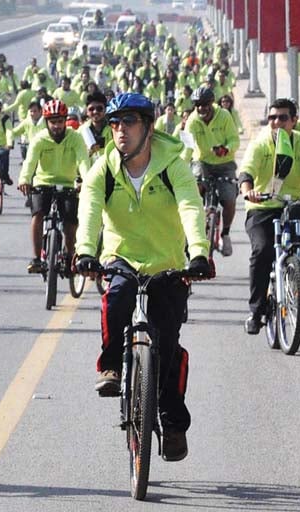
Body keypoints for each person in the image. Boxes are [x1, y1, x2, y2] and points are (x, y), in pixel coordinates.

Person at [74, 93, 212, 462]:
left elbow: (190, 207)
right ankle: (110, 365)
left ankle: (173, 423)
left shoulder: (173, 166)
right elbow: (88, 211)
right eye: (115, 123)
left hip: (167, 264)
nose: (120, 130)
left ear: (149, 128)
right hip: (121, 258)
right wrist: (85, 250)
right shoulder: (102, 169)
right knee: (116, 297)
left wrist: (199, 252)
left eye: (129, 122)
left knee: (168, 348)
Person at [239, 98, 300, 334]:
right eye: (272, 118)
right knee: (263, 249)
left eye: (282, 118)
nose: (276, 122)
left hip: (293, 202)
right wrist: (249, 192)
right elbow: (247, 171)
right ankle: (256, 311)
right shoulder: (261, 144)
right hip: (262, 207)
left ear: (294, 121)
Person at [18, 99, 90, 274]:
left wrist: (87, 181)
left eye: (59, 121)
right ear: (46, 122)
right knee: (38, 214)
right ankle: (36, 258)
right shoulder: (39, 139)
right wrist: (24, 180)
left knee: (70, 221)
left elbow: (83, 162)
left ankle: (69, 255)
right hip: (43, 183)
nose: (56, 126)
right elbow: (29, 162)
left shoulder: (76, 138)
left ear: (65, 120)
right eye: (53, 122)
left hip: (68, 184)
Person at [186, 85, 239, 256]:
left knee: (229, 198)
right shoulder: (192, 120)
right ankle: (192, 231)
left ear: (212, 104)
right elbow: (187, 148)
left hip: (225, 163)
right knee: (195, 190)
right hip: (202, 163)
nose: (202, 108)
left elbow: (234, 140)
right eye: (198, 105)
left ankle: (225, 233)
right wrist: (180, 165)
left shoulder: (224, 115)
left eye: (205, 104)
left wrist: (226, 149)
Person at [79, 91, 112, 161]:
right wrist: (90, 151)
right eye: (91, 109)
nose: (95, 112)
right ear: (87, 111)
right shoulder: (80, 131)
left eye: (99, 108)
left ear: (105, 110)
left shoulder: (114, 129)